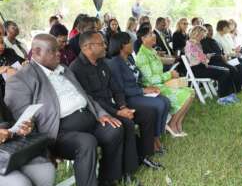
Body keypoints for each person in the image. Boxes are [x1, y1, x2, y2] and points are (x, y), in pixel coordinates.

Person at [5, 34, 125, 186]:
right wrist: (44, 151)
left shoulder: (64, 69)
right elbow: (22, 121)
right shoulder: (22, 79)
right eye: (53, 51)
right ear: (36, 52)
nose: (58, 53)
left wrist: (101, 113)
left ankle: (107, 179)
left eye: (58, 49)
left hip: (89, 119)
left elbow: (84, 95)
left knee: (115, 129)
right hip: (58, 132)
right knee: (86, 142)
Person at [70, 31, 163, 174]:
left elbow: (116, 88)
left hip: (114, 106)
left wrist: (123, 106)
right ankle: (128, 170)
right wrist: (118, 112)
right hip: (98, 112)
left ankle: (144, 155)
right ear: (87, 47)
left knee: (148, 113)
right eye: (101, 44)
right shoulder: (76, 68)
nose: (105, 46)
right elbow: (91, 100)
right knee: (127, 123)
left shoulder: (102, 63)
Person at [108, 32, 171, 154]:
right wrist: (143, 90)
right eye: (129, 42)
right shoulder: (115, 63)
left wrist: (148, 86)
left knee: (165, 101)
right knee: (159, 104)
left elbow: (138, 77)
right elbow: (120, 89)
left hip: (138, 92)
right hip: (128, 97)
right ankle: (154, 141)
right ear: (122, 45)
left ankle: (156, 136)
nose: (133, 44)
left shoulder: (130, 58)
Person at [136, 26, 194, 137]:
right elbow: (150, 79)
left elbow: (160, 69)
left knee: (191, 92)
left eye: (153, 33)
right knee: (186, 95)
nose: (153, 36)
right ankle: (172, 123)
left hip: (161, 84)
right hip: (152, 88)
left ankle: (177, 122)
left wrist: (170, 74)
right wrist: (169, 74)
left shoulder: (151, 51)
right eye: (149, 35)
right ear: (143, 39)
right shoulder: (142, 56)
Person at [0, 85, 55, 186]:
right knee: (19, 183)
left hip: (9, 151)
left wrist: (20, 129)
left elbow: (9, 122)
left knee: (46, 171)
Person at [185, 25, 238, 105]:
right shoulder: (191, 44)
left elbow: (201, 58)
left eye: (203, 36)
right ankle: (223, 97)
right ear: (196, 34)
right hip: (197, 70)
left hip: (201, 67)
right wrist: (206, 57)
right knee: (223, 73)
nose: (202, 37)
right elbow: (201, 58)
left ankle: (229, 95)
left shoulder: (196, 43)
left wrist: (206, 57)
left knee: (227, 70)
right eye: (202, 35)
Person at [201, 23, 242, 93]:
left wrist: (224, 55)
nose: (211, 32)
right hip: (214, 62)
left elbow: (220, 51)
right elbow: (211, 54)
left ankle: (237, 88)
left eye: (211, 30)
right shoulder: (204, 41)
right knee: (232, 69)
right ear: (203, 32)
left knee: (238, 64)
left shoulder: (212, 40)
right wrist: (221, 57)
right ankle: (234, 90)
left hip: (221, 60)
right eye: (208, 30)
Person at [214, 20, 242, 89]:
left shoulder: (227, 35)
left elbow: (231, 47)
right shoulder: (216, 38)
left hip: (232, 56)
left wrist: (236, 50)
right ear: (223, 28)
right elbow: (222, 52)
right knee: (241, 64)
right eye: (228, 27)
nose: (229, 29)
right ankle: (241, 84)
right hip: (226, 59)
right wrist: (233, 54)